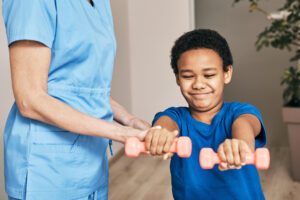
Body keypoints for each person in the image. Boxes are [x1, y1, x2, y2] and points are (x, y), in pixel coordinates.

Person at [2, 0, 151, 199]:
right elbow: (30, 100)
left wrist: (130, 121)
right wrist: (123, 133)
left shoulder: (100, 3)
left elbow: (84, 88)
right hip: (48, 166)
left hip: (92, 159)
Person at [145, 29, 267, 199]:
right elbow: (164, 124)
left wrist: (240, 145)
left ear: (227, 73)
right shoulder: (175, 117)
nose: (198, 84)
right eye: (188, 76)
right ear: (177, 78)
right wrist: (160, 134)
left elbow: (245, 126)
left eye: (209, 75)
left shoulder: (240, 113)